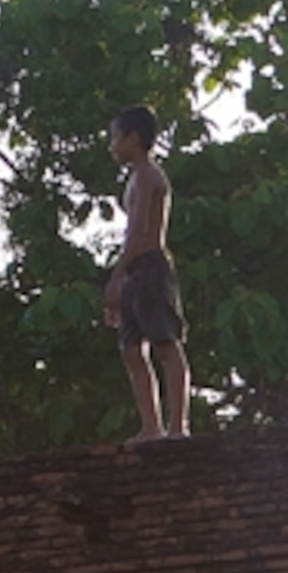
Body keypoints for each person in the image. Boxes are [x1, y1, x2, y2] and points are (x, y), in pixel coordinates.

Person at [103, 106, 190, 442]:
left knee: (165, 343)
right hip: (135, 269)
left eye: (116, 138)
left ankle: (178, 426)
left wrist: (116, 277)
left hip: (150, 264)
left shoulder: (149, 176)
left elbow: (140, 232)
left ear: (133, 138)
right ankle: (151, 426)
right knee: (130, 348)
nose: (113, 146)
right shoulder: (134, 177)